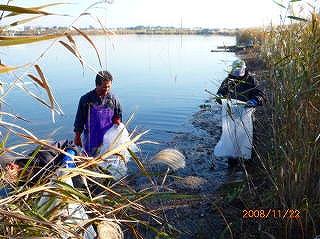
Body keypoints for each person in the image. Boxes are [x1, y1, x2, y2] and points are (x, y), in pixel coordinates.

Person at [215, 59, 265, 167]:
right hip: (231, 116)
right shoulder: (228, 80)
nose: (237, 74)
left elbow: (261, 95)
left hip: (247, 116)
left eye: (239, 71)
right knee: (232, 142)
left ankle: (248, 166)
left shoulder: (251, 80)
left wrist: (255, 100)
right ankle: (232, 167)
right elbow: (219, 94)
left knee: (248, 142)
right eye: (235, 71)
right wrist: (220, 98)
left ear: (244, 69)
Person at [74, 71, 122, 156]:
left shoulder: (113, 99)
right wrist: (77, 137)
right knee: (91, 164)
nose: (107, 90)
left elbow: (118, 116)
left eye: (109, 87)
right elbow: (79, 121)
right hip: (91, 141)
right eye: (104, 87)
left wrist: (118, 123)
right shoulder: (86, 100)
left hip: (108, 141)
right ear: (97, 85)